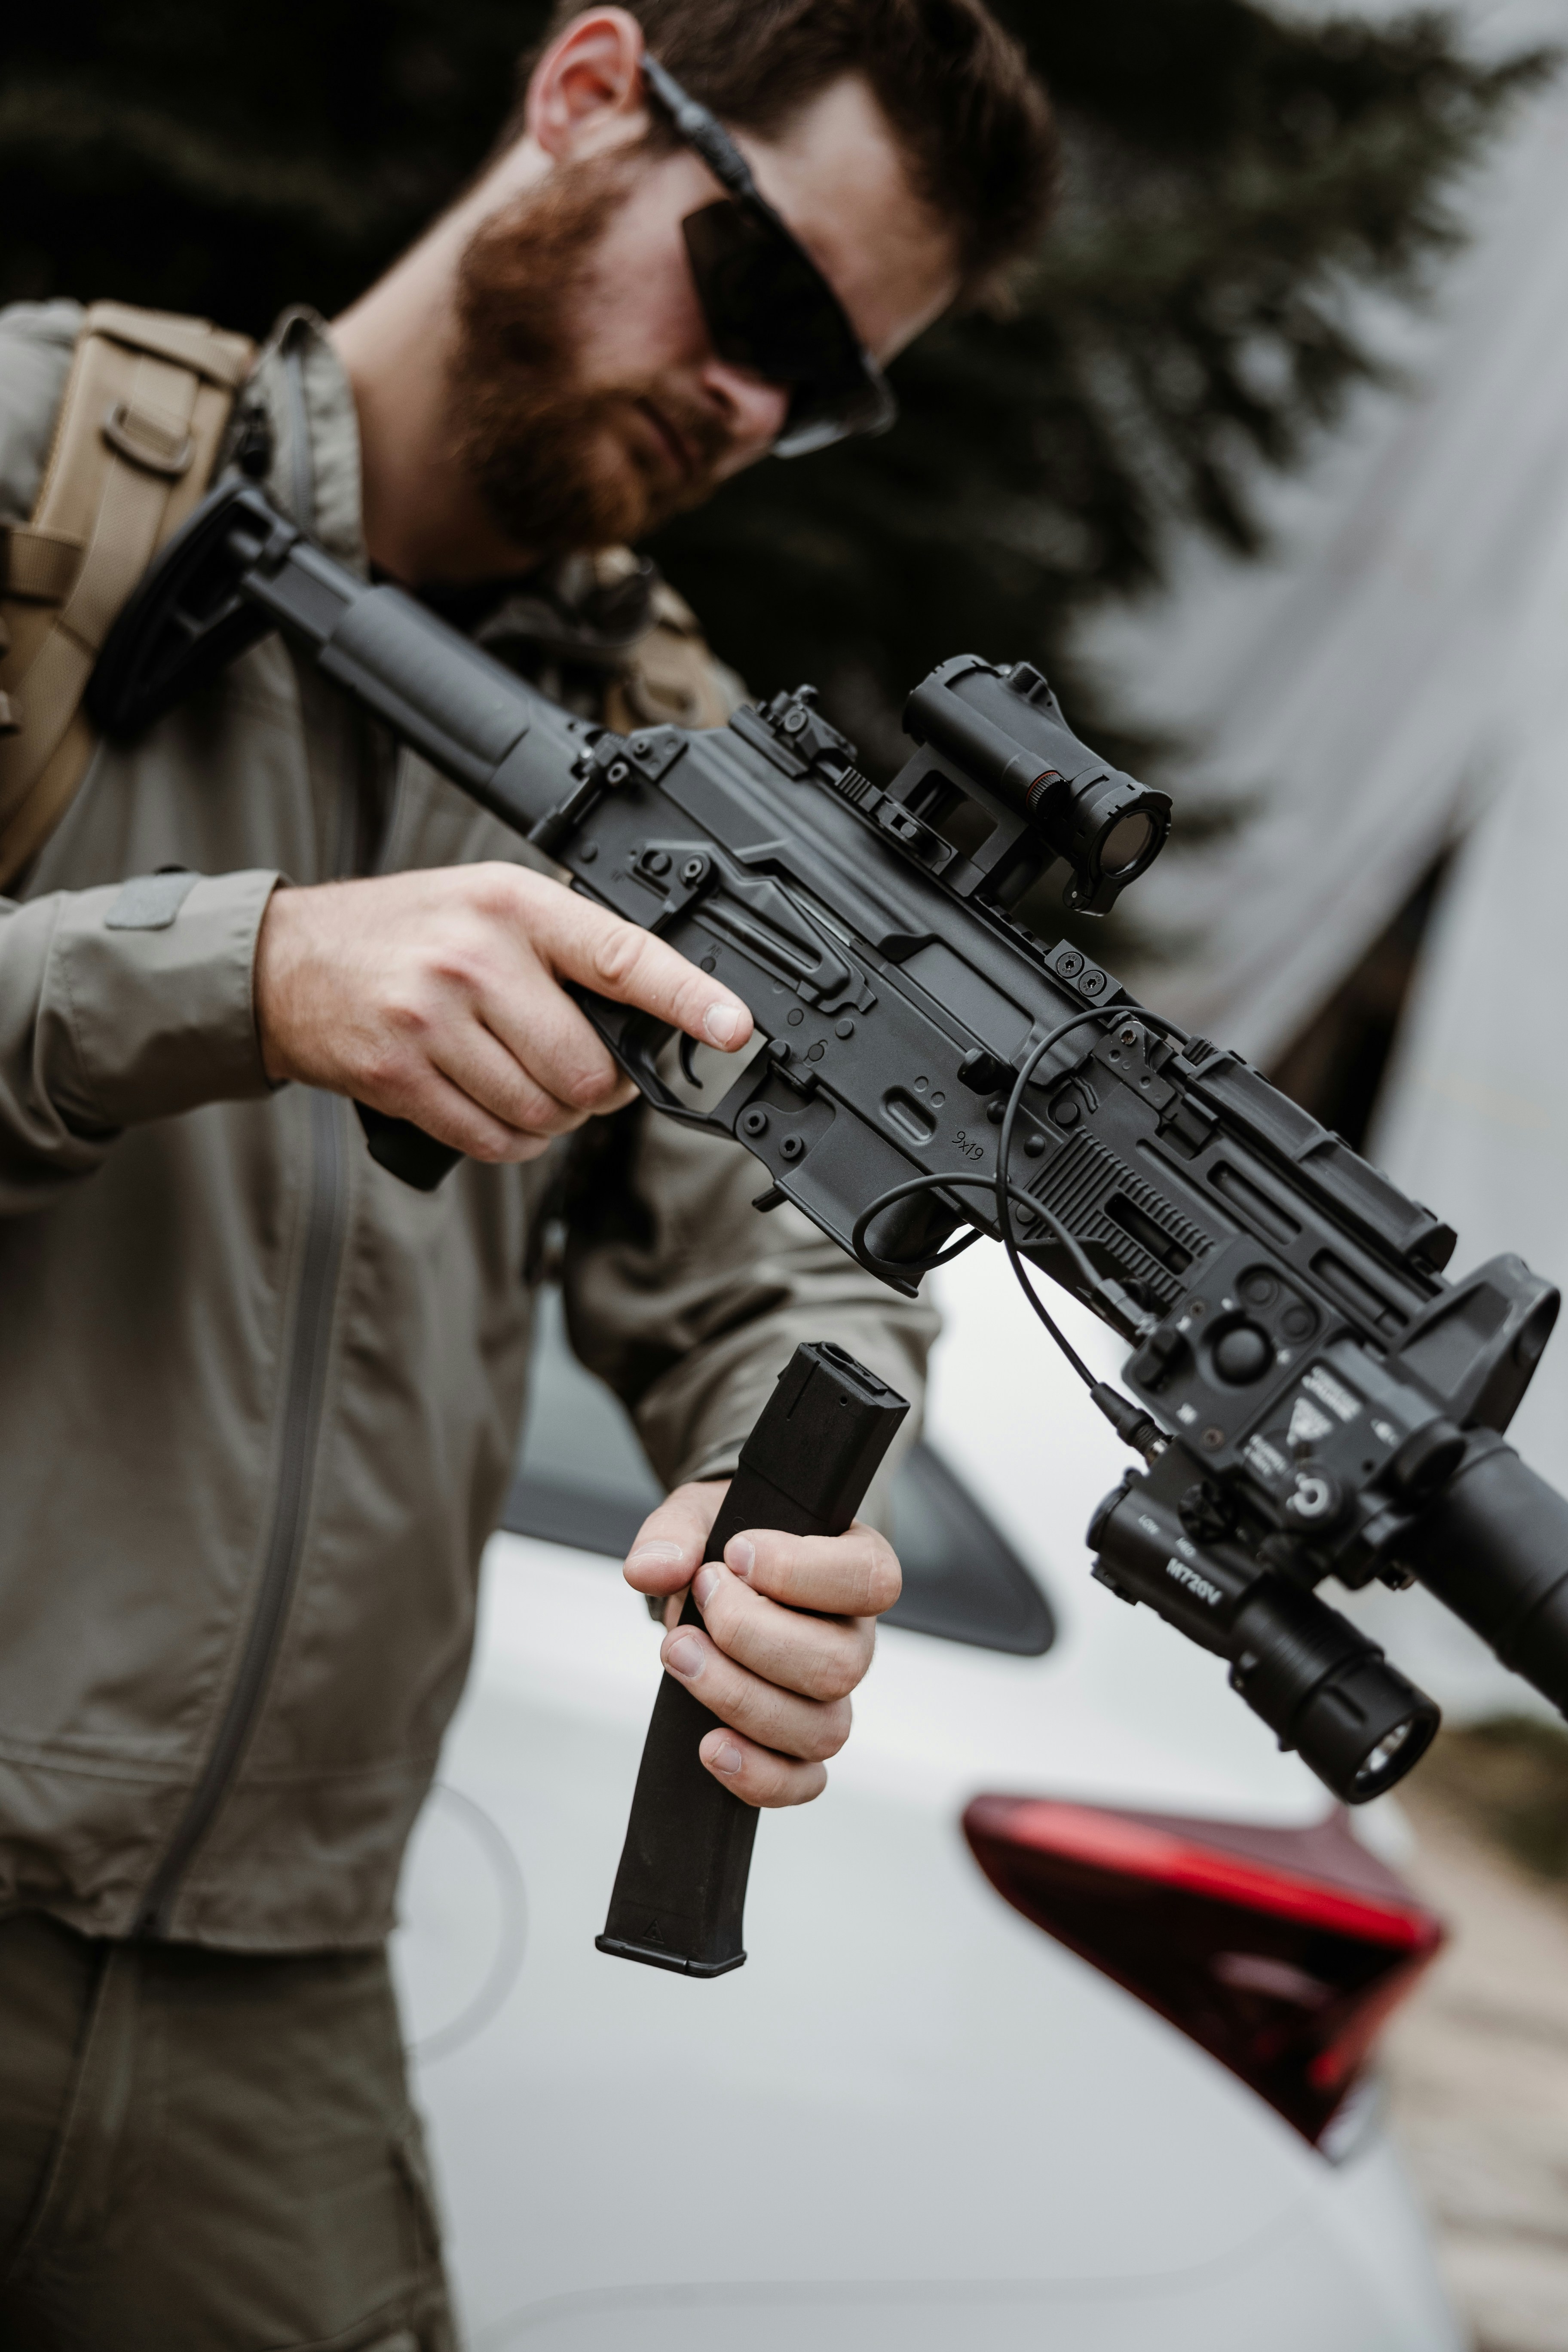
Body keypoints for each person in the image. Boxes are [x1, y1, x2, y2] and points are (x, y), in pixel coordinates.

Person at [0, 4, 1055, 2343]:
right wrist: (241, 972)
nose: (753, 405)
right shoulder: (35, 469)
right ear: (585, 97)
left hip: (265, 2003)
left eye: (831, 386)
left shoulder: (685, 757)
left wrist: (784, 1483)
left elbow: (785, 1256)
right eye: (760, 293)